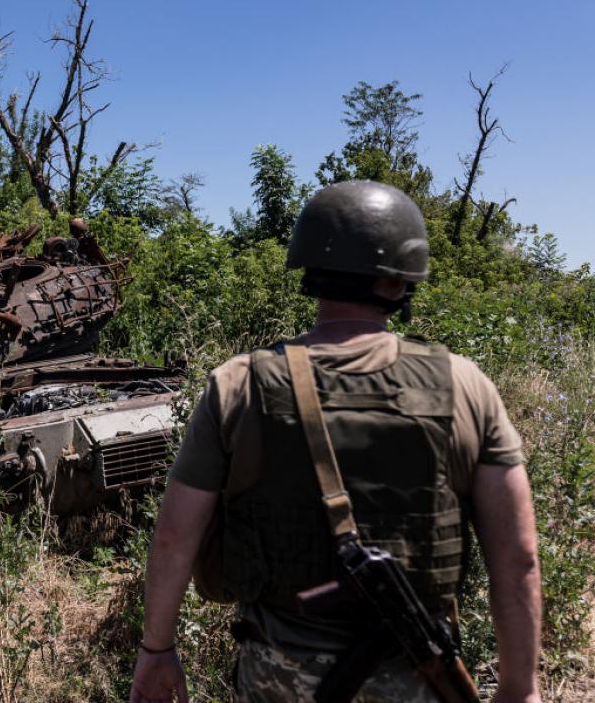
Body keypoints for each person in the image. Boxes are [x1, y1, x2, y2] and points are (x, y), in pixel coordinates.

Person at [129, 180, 542, 703]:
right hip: (417, 677)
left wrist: (157, 649)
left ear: (310, 270)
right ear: (401, 281)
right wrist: (520, 689)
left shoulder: (238, 383)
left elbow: (173, 536)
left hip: (278, 674)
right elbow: (518, 556)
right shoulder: (464, 384)